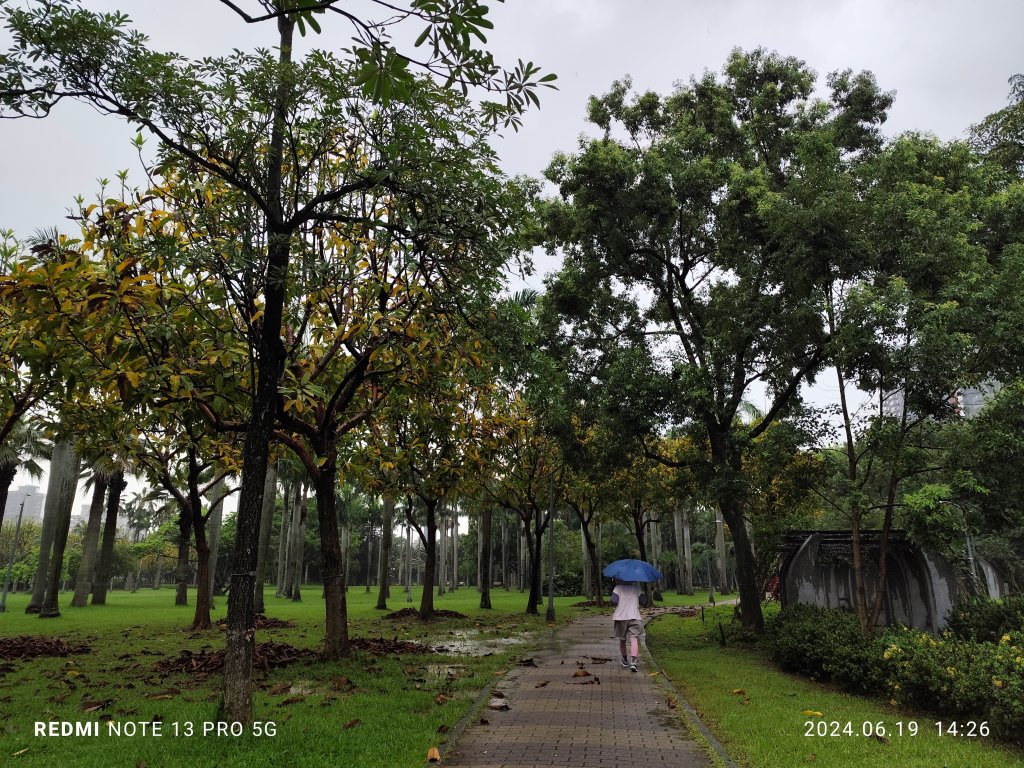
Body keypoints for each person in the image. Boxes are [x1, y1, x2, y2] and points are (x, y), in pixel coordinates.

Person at [610, 580, 647, 672]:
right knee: (634, 638)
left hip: (620, 617)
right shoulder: (636, 589)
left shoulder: (618, 588)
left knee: (622, 639)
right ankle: (633, 662)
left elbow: (614, 601)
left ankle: (625, 660)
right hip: (634, 617)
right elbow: (644, 602)